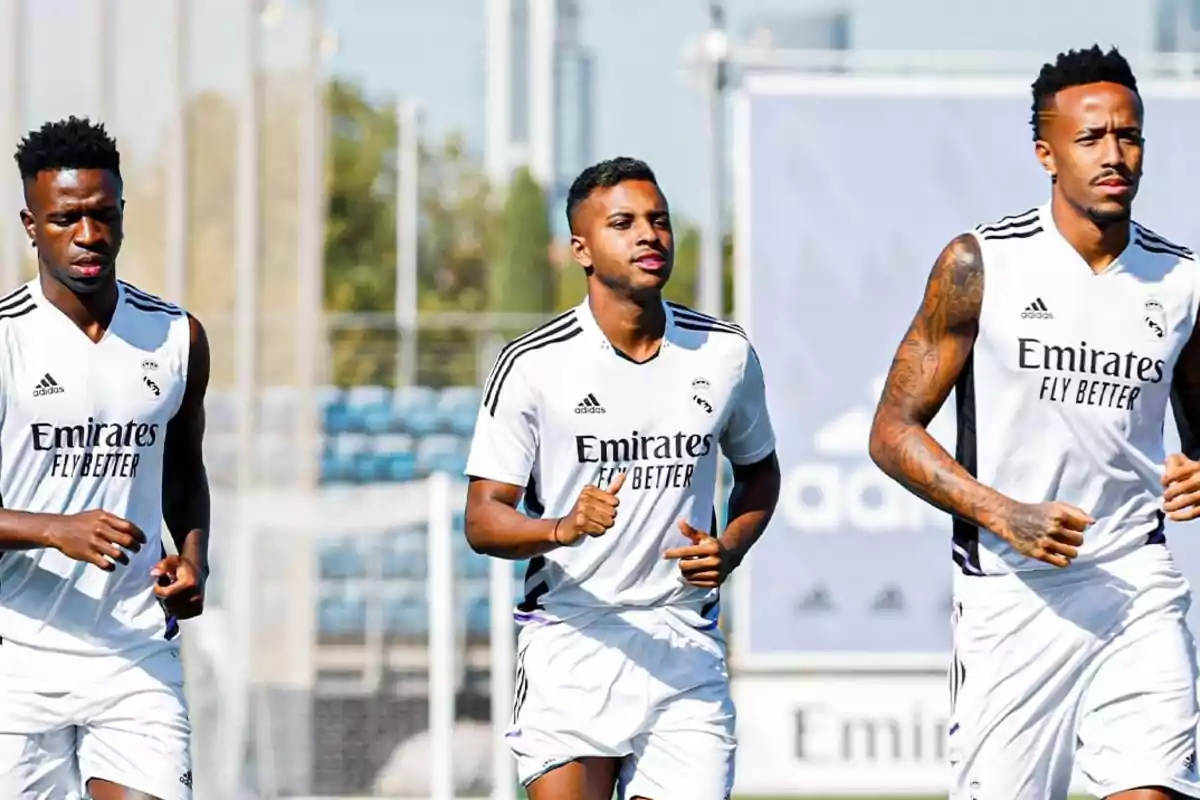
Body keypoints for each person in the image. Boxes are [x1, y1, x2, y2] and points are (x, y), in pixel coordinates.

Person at [869, 45, 1200, 800]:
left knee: (1153, 789)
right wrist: (1002, 512)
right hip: (1011, 591)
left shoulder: (1183, 281)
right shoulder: (980, 263)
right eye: (1091, 139)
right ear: (1046, 153)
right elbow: (892, 430)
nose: (1114, 154)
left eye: (1130, 135)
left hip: (1134, 579)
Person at [463, 156, 781, 800]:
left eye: (658, 220)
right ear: (582, 248)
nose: (648, 235)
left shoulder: (724, 353)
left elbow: (760, 473)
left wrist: (730, 548)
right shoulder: (533, 364)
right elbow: (481, 518)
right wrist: (563, 526)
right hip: (572, 639)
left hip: (683, 643)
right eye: (623, 222)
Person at [0, 116, 210, 800]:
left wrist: (194, 558)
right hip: (17, 660)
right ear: (32, 224)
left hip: (134, 652)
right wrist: (51, 529)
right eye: (66, 220)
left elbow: (184, 470)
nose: (88, 236)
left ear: (123, 214)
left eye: (103, 215)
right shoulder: (6, 342)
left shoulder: (175, 337)